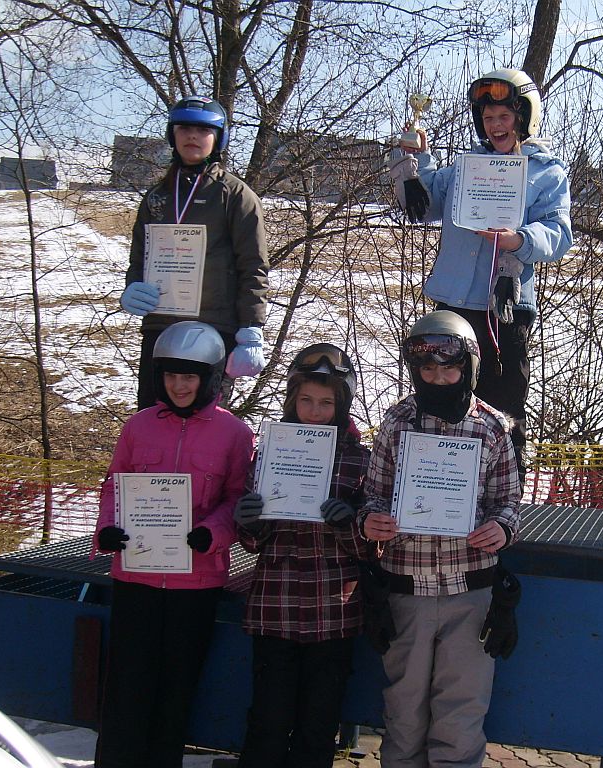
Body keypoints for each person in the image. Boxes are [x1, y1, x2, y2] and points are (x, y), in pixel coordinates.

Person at [388, 68, 573, 480]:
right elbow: (425, 206)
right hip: (452, 306)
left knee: (503, 409)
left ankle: (503, 498)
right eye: (488, 118)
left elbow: (560, 234)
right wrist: (414, 160)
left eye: (504, 116)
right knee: (440, 401)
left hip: (503, 310)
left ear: (524, 117)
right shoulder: (465, 168)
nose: (496, 126)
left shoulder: (546, 172)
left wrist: (518, 239)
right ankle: (434, 488)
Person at [358, 309, 522, 767]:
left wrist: (502, 527)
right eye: (427, 370)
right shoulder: (398, 421)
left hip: (470, 591)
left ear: (468, 367)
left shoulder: (491, 426)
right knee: (404, 709)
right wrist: (371, 520)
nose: (438, 378)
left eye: (449, 369)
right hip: (406, 589)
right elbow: (373, 493)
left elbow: (509, 499)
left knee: (460, 711)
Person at [92, 320, 255, 767]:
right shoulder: (139, 426)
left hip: (195, 582)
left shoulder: (234, 434)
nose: (179, 386)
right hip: (137, 577)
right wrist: (108, 529)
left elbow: (238, 497)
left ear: (210, 378)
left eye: (189, 377)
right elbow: (114, 486)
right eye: (170, 375)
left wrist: (213, 532)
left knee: (177, 688)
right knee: (126, 686)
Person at [232, 343, 371, 768]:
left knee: (317, 724)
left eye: (326, 403)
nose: (314, 411)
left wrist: (348, 523)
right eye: (306, 400)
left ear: (341, 405)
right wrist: (250, 520)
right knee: (268, 721)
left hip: (332, 609)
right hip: (276, 605)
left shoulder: (359, 461)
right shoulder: (271, 452)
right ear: (293, 399)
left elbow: (372, 547)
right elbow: (252, 542)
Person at [118, 95, 271, 410]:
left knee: (204, 419)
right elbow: (139, 256)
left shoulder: (235, 195)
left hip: (214, 327)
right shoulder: (157, 197)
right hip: (161, 325)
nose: (193, 136)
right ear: (172, 134)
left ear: (218, 139)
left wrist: (251, 327)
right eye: (185, 128)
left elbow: (253, 266)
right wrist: (133, 286)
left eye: (203, 130)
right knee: (153, 414)